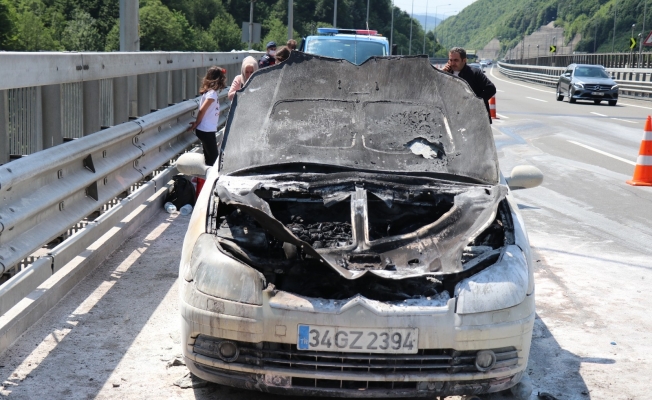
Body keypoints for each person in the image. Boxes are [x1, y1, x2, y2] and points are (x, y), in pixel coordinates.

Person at [442, 47, 497, 123]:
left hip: (475, 118)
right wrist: (441, 74)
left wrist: (475, 101)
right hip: (454, 117)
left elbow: (491, 88)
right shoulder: (445, 73)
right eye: (451, 60)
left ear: (464, 60)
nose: (453, 63)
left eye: (456, 60)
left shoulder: (475, 73)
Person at [187, 66, 227, 166]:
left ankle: (206, 178)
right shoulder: (212, 94)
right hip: (206, 130)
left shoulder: (210, 93)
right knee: (214, 159)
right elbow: (202, 110)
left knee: (209, 158)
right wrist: (196, 123)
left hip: (207, 129)